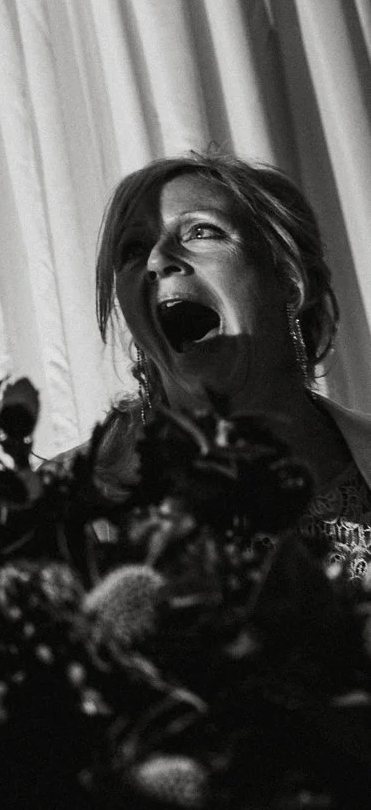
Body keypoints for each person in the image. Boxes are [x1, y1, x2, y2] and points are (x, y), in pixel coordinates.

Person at [91, 151, 371, 580]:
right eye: (133, 250)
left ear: (290, 281)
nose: (156, 260)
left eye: (202, 231)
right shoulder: (77, 511)